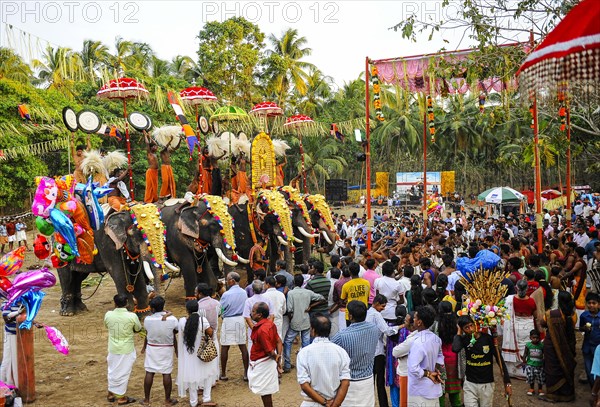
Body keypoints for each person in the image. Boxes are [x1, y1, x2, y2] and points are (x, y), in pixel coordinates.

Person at [453, 315, 512, 407]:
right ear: (463, 330)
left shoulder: (488, 339)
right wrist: (459, 333)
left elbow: (500, 361)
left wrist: (507, 383)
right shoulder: (464, 340)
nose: (471, 329)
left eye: (471, 325)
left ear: (475, 324)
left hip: (487, 384)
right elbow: (455, 348)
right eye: (466, 328)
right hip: (470, 383)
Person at [331, 301, 380, 407]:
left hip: (348, 383)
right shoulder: (375, 329)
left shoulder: (342, 335)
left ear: (350, 316)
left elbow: (329, 350)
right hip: (367, 380)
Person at [296, 314, 351, 407]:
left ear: (313, 330)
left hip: (311, 403)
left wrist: (324, 402)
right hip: (334, 401)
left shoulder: (304, 353)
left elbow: (304, 385)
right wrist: (335, 404)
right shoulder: (341, 352)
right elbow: (345, 382)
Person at [176, 300, 217, 407]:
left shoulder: (182, 322)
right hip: (202, 353)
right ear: (197, 308)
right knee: (207, 375)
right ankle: (206, 398)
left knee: (191, 378)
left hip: (189, 355)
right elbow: (210, 332)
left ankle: (193, 401)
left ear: (187, 310)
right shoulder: (202, 320)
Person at [140, 296, 178, 407]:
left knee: (149, 372)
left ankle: (146, 400)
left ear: (152, 308)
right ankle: (167, 400)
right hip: (166, 347)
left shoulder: (147, 320)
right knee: (166, 373)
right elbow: (175, 330)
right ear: (163, 306)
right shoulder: (172, 319)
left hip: (152, 348)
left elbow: (147, 333)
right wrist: (169, 314)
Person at [104, 294, 142, 405]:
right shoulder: (132, 316)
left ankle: (111, 393)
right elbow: (138, 328)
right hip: (126, 348)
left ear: (114, 303)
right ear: (126, 303)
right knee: (123, 372)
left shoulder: (108, 315)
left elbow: (107, 326)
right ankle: (121, 397)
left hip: (113, 347)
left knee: (112, 370)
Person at [283, 274, 326, 373]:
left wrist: (291, 319)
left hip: (295, 321)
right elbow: (322, 298)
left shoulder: (291, 293)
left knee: (288, 341)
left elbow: (289, 309)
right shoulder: (308, 292)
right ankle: (307, 364)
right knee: (306, 342)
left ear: (294, 282)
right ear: (303, 283)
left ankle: (287, 364)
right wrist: (311, 306)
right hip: (306, 321)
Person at [541, 291, 577, 402]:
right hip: (568, 346)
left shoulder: (550, 314)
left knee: (552, 369)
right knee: (566, 367)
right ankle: (567, 395)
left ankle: (553, 395)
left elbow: (543, 323)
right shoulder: (573, 315)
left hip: (552, 346)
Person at [407, 305, 444, 407]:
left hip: (419, 390)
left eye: (415, 317)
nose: (413, 320)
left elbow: (413, 368)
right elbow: (440, 358)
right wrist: (436, 370)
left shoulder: (418, 342)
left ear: (419, 322)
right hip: (432, 387)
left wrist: (428, 373)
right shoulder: (436, 339)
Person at [248, 302, 283, 407]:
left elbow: (269, 350)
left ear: (259, 315)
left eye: (253, 311)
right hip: (267, 362)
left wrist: (276, 357)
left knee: (265, 392)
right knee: (266, 391)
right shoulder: (270, 324)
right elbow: (279, 341)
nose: (251, 313)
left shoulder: (262, 330)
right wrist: (278, 358)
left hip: (263, 363)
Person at [366, 294, 399, 407]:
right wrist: (400, 327)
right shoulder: (376, 315)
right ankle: (383, 404)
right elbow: (387, 331)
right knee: (380, 382)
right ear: (376, 304)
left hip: (368, 352)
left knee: (370, 382)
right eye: (382, 306)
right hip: (377, 352)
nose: (383, 309)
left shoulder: (367, 313)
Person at [502, 279, 536, 379]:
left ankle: (512, 371)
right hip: (527, 327)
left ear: (516, 288)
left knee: (515, 344)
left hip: (514, 326)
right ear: (527, 289)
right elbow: (535, 315)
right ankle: (525, 372)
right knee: (525, 346)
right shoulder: (531, 301)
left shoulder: (509, 300)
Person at [219, 272, 249, 381]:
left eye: (227, 280)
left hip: (228, 320)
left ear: (232, 280)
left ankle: (223, 373)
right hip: (240, 319)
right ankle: (246, 373)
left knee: (225, 346)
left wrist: (222, 314)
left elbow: (221, 309)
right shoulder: (243, 292)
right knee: (242, 346)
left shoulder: (226, 294)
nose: (227, 282)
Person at [437, 301, 461, 407]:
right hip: (454, 356)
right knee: (455, 387)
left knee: (440, 386)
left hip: (441, 358)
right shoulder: (457, 323)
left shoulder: (437, 324)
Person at [392, 312, 418, 407]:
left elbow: (395, 352)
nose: (404, 323)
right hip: (410, 372)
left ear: (413, 324)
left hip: (406, 373)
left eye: (406, 321)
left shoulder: (411, 340)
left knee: (405, 402)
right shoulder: (415, 335)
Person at [243, 280, 274, 352]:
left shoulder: (249, 301)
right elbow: (272, 315)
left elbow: (247, 317)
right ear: (262, 288)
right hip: (266, 327)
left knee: (253, 348)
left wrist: (254, 329)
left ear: (252, 290)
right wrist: (268, 327)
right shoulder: (267, 299)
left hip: (253, 328)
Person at [340, 262, 370, 327]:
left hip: (350, 315)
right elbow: (367, 298)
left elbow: (341, 301)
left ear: (349, 272)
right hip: (363, 314)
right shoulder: (367, 283)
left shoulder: (346, 285)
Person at [580, 292, 600, 387]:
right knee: (589, 370)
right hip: (587, 346)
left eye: (594, 303)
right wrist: (584, 328)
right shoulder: (584, 316)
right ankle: (593, 389)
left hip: (598, 348)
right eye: (589, 303)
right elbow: (580, 328)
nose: (591, 305)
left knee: (597, 371)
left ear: (598, 304)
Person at [1, 301, 21, 386]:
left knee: (17, 360)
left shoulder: (24, 303)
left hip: (21, 335)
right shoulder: (7, 303)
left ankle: (16, 383)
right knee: (8, 359)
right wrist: (18, 313)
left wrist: (35, 323)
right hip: (10, 335)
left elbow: (27, 318)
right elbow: (7, 319)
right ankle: (4, 382)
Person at [522, 329, 545, 396]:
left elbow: (544, 354)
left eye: (537, 338)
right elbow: (525, 354)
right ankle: (532, 388)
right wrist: (524, 361)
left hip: (539, 365)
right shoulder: (528, 345)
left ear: (539, 338)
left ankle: (540, 389)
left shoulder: (541, 345)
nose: (535, 339)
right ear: (530, 337)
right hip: (530, 364)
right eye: (533, 338)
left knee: (540, 377)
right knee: (531, 377)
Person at [144, 133, 159, 203]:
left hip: (155, 171)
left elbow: (155, 143)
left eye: (156, 147)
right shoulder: (149, 153)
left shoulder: (155, 154)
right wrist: (145, 135)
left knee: (155, 186)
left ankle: (154, 198)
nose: (156, 147)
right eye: (154, 147)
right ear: (151, 148)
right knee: (150, 186)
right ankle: (148, 199)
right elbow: (147, 143)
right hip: (150, 171)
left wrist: (150, 137)